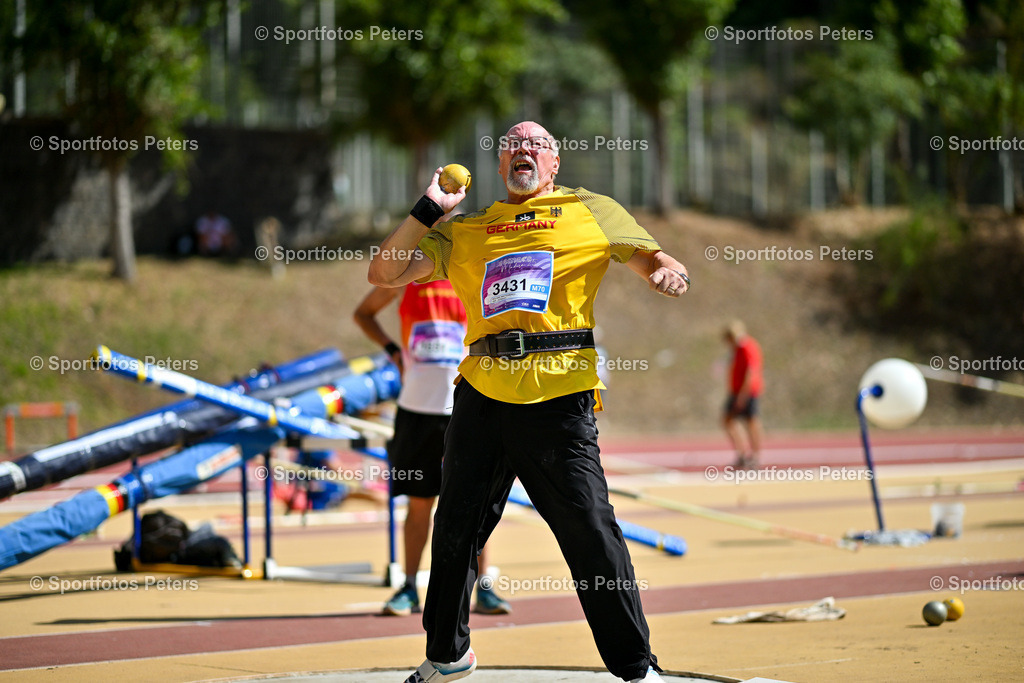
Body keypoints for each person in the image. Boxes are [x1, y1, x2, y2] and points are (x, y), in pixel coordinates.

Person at [369, 121, 689, 683]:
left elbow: (659, 261)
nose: (524, 151)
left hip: (559, 395)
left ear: (555, 162)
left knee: (590, 528)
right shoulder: (468, 228)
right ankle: (447, 657)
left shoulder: (590, 210)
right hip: (481, 396)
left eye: (536, 144)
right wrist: (428, 208)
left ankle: (637, 668)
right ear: (499, 165)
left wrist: (667, 273)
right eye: (512, 144)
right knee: (456, 528)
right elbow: (384, 272)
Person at [353, 283, 511, 617]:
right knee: (419, 504)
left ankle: (483, 587)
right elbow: (363, 314)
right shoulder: (405, 276)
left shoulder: (470, 269)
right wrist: (392, 350)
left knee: (475, 503)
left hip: (465, 406)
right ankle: (409, 586)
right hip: (416, 412)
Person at [722, 320, 763, 470]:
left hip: (747, 391)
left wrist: (743, 395)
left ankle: (755, 456)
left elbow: (751, 372)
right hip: (737, 390)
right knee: (728, 420)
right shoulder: (737, 349)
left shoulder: (747, 347)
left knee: (752, 422)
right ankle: (743, 454)